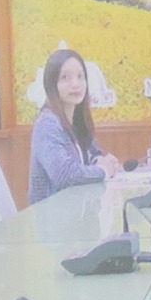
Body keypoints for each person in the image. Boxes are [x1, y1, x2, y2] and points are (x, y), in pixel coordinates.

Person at [28, 48, 121, 203]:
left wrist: (100, 161)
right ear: (51, 84)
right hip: (52, 216)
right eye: (65, 78)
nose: (75, 84)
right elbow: (65, 175)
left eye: (80, 76)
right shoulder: (47, 124)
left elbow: (93, 154)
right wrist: (103, 170)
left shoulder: (76, 119)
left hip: (77, 213)